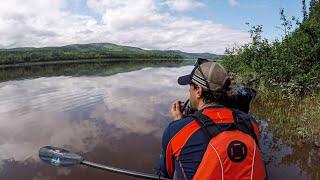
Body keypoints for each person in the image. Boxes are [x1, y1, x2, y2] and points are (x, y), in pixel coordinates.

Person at [156, 59, 266, 180]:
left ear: (198, 90)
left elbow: (164, 174)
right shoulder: (250, 122)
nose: (189, 90)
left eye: (190, 86)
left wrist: (178, 123)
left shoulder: (175, 129)